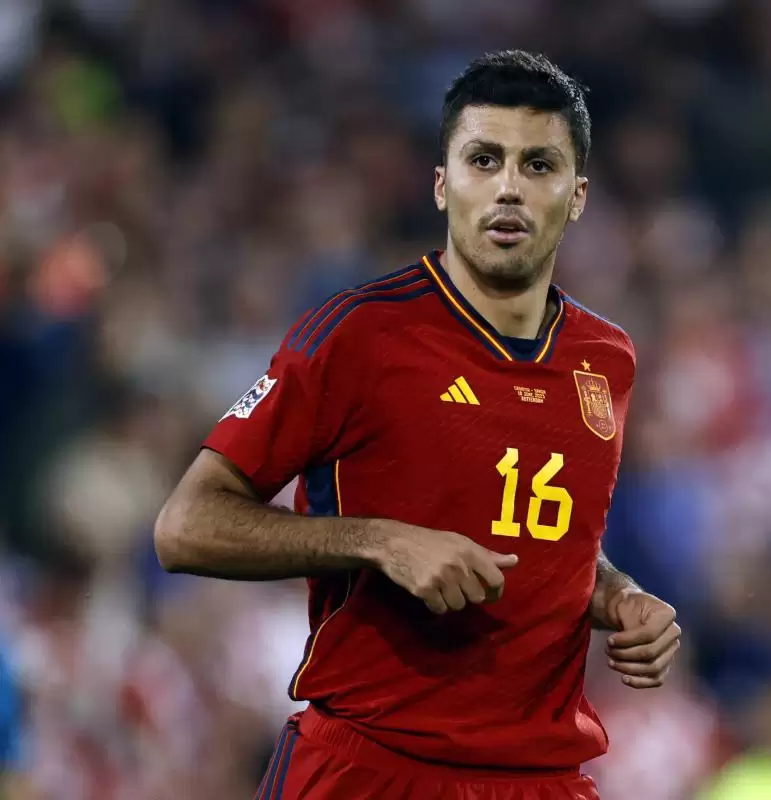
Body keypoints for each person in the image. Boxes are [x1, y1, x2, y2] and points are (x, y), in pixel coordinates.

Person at [154, 50, 681, 800]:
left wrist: (621, 596)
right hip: (369, 767)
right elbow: (184, 527)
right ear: (442, 184)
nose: (508, 187)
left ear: (578, 196)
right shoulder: (360, 336)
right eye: (483, 160)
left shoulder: (607, 359)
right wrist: (381, 541)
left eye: (538, 165)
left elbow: (552, 543)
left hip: (541, 780)